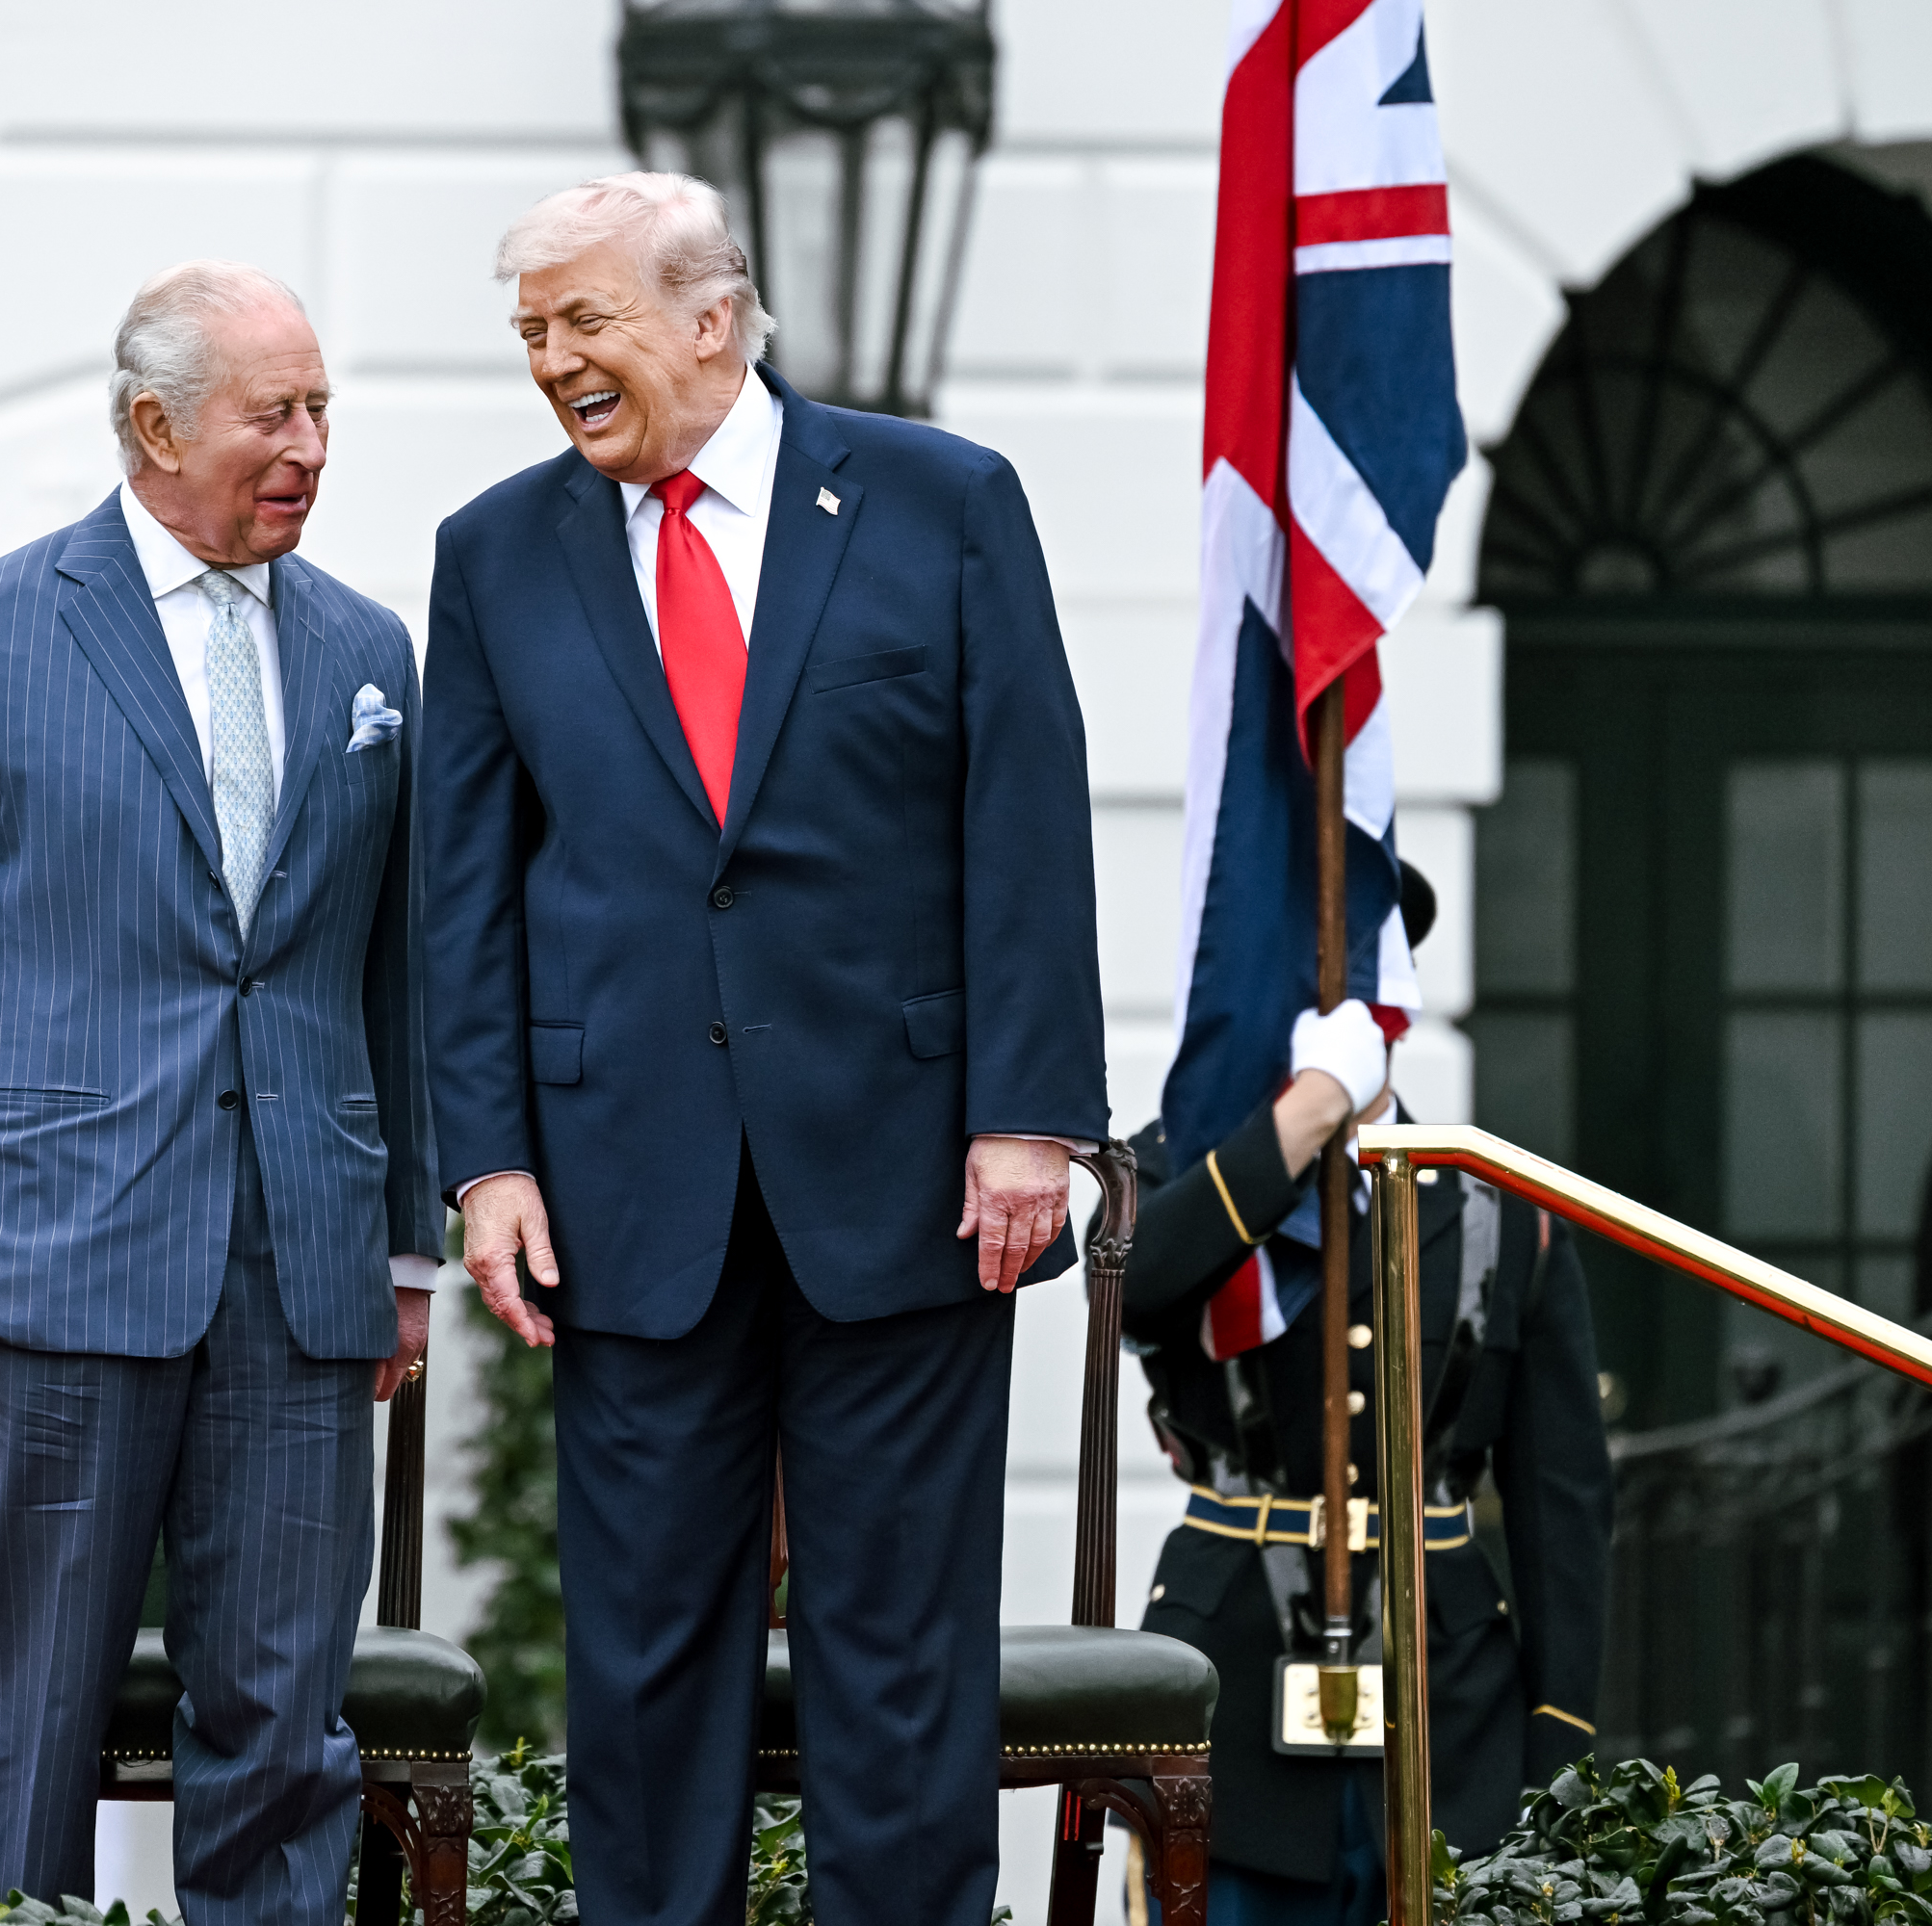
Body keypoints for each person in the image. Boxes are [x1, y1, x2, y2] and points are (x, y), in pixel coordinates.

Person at [420, 171, 1106, 1926]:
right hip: (622, 1193)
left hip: (910, 1178)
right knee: (644, 1664)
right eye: (531, 332)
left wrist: (1030, 1117)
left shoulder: (944, 501)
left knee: (901, 1659)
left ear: (711, 317)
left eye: (585, 320)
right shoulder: (493, 554)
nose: (552, 361)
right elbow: (465, 889)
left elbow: (1025, 816)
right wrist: (486, 1162)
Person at [0, 260, 441, 1924]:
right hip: (57, 1253)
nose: (310, 445)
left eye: (322, 410)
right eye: (274, 413)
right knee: (34, 1712)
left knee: (285, 1722)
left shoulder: (369, 648)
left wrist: (404, 1249)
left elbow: (394, 972)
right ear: (156, 428)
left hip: (301, 1268)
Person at [1119, 866, 1614, 1926]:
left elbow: (1562, 1504)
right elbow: (1131, 1285)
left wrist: (1557, 1742)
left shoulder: (1496, 1208)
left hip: (1449, 1720)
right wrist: (1301, 1121)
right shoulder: (1178, 1172)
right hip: (1229, 1709)